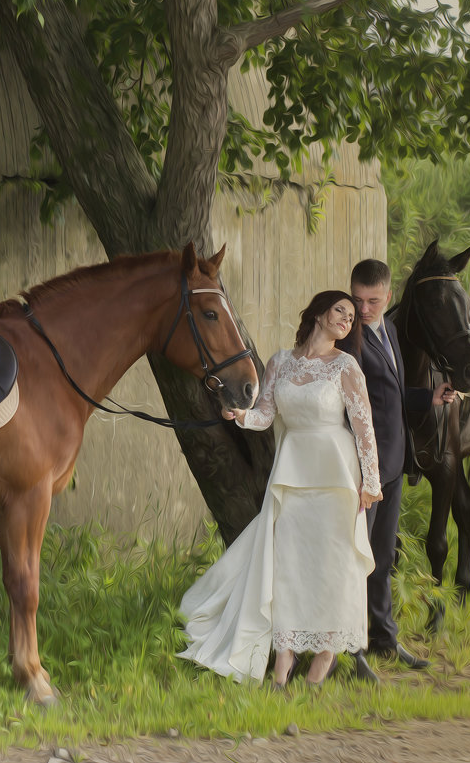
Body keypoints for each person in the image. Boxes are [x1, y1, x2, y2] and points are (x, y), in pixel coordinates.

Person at [177, 291, 380, 688]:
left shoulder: (346, 366)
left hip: (336, 477)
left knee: (334, 567)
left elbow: (364, 426)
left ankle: (323, 661)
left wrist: (371, 481)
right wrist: (241, 415)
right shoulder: (280, 362)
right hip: (292, 475)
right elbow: (267, 415)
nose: (347, 320)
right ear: (319, 313)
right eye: (340, 310)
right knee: (289, 566)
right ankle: (282, 665)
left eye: (352, 317)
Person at [338, 259, 456, 681]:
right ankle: (352, 650)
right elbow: (347, 402)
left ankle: (385, 638)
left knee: (383, 556)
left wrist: (429, 398)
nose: (363, 309)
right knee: (358, 557)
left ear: (388, 297)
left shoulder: (387, 329)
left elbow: (388, 392)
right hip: (361, 466)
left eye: (372, 300)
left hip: (390, 463)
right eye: (357, 299)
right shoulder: (347, 339)